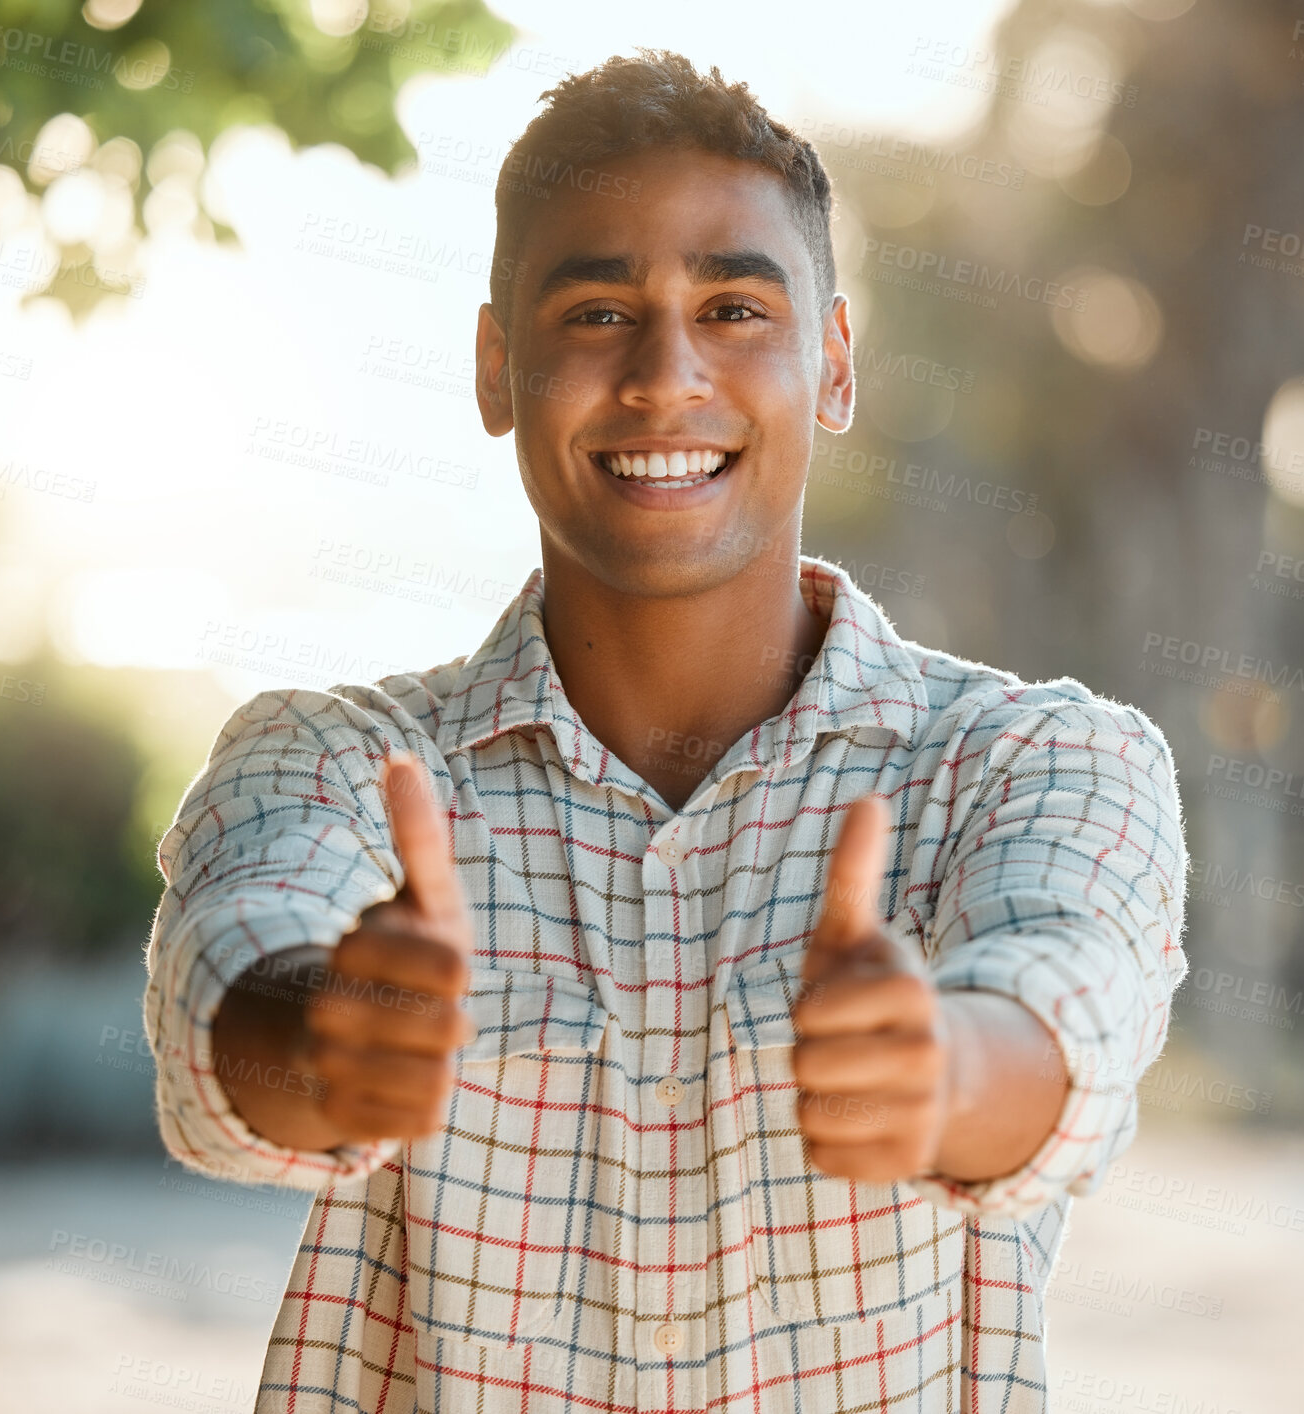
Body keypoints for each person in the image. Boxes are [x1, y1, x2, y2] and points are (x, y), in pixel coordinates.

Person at [143, 48, 1189, 1414]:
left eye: (736, 305)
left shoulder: (1028, 763)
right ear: (493, 366)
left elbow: (1077, 1007)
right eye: (594, 311)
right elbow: (222, 999)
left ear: (834, 365)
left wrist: (941, 1069)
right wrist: (329, 1038)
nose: (663, 372)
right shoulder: (334, 761)